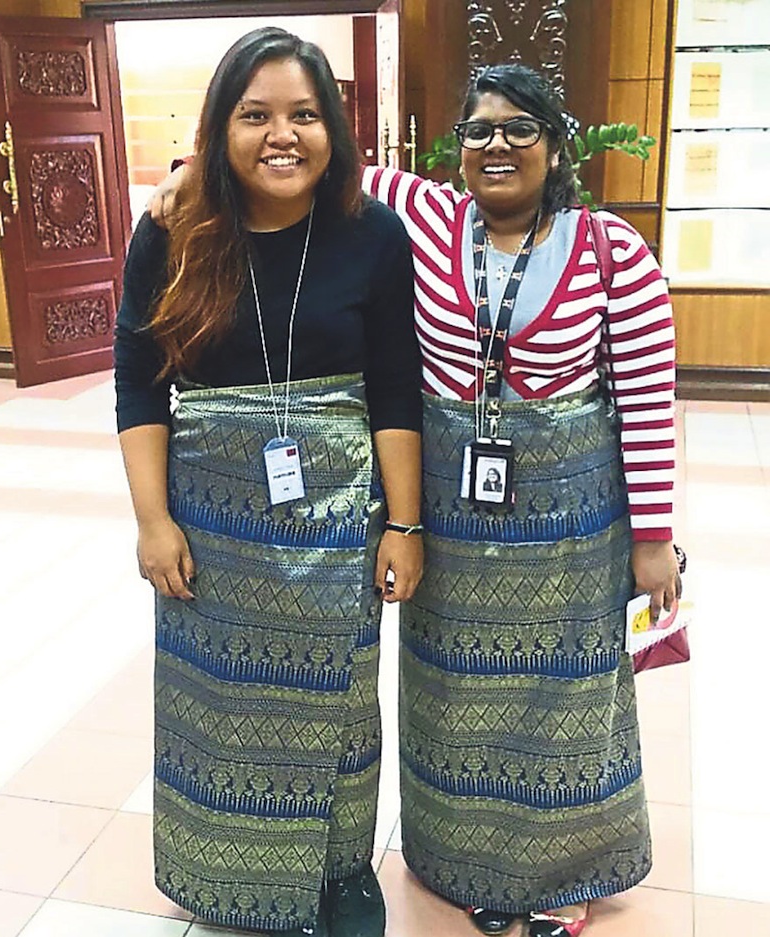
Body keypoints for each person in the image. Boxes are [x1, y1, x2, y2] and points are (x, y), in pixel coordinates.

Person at [149, 63, 680, 937]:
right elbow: (299, 160)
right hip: (450, 523)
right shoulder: (426, 218)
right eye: (479, 131)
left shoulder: (610, 250)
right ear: (458, 148)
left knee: (566, 692)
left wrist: (653, 536)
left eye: (520, 128)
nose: (497, 146)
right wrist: (185, 168)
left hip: (572, 525)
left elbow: (650, 396)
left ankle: (559, 875)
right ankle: (459, 861)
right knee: (452, 694)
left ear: (556, 144)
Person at [116, 27, 423, 937]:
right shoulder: (171, 231)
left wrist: (403, 525)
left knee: (341, 701)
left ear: (335, 126)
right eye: (254, 115)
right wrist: (151, 520)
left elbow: (396, 383)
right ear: (220, 128)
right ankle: (222, 882)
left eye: (304, 113)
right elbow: (139, 380)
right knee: (220, 703)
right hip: (210, 522)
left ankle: (343, 875)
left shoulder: (373, 231)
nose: (281, 135)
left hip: (337, 521)